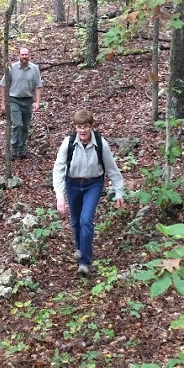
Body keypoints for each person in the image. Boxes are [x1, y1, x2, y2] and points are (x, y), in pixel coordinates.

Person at [52, 109, 125, 276]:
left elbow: (112, 168)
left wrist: (118, 191)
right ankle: (80, 247)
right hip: (72, 183)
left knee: (86, 220)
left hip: (93, 184)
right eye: (79, 127)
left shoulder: (100, 143)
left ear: (91, 126)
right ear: (75, 128)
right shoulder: (68, 143)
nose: (82, 130)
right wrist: (59, 195)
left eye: (85, 126)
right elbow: (59, 168)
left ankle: (84, 261)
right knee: (76, 221)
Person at [0, 47, 43, 159]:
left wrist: (37, 102)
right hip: (14, 99)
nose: (24, 57)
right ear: (18, 55)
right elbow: (3, 85)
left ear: (29, 55)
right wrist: (3, 104)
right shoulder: (11, 68)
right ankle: (14, 148)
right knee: (17, 124)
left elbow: (38, 86)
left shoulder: (34, 69)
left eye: (26, 54)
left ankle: (22, 148)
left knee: (25, 126)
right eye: (22, 54)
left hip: (28, 100)